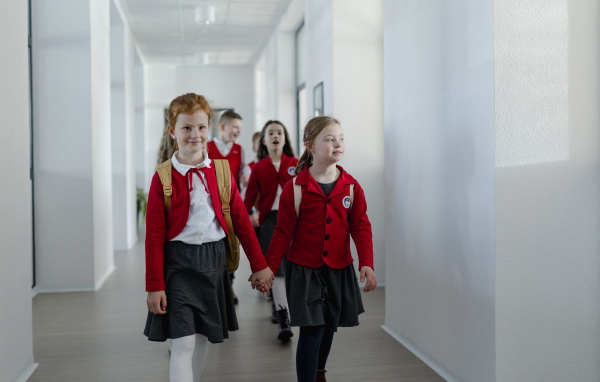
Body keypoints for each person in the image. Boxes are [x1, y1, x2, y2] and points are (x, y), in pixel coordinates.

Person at [144, 93, 274, 382]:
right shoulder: (162, 178)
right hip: (177, 265)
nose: (195, 134)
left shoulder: (222, 172)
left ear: (210, 129)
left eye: (201, 127)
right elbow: (153, 236)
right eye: (186, 127)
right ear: (172, 131)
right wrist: (154, 285)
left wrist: (259, 264)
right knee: (184, 341)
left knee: (202, 337)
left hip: (214, 263)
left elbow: (240, 221)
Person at [254, 116, 377, 382]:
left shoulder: (352, 187)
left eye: (341, 138)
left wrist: (366, 262)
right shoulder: (294, 188)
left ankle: (319, 372)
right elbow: (282, 234)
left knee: (329, 326)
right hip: (305, 272)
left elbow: (361, 227)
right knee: (312, 331)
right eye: (330, 139)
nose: (338, 144)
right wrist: (269, 269)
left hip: (338, 269)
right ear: (310, 145)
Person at [244, 120, 298, 341]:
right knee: (275, 270)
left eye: (279, 132)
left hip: (295, 221)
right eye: (270, 133)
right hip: (270, 223)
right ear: (263, 141)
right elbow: (247, 200)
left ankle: (289, 307)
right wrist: (248, 216)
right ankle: (283, 317)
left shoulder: (297, 163)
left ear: (285, 139)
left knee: (294, 267)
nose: (275, 136)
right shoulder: (258, 168)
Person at [207, 110, 247, 304]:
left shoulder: (240, 150)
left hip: (232, 207)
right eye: (235, 127)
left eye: (240, 128)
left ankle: (229, 286)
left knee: (231, 246)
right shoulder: (206, 148)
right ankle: (214, 287)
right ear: (222, 127)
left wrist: (245, 175)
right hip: (211, 206)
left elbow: (243, 171)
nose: (238, 131)